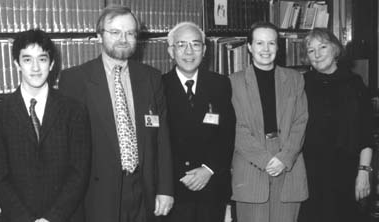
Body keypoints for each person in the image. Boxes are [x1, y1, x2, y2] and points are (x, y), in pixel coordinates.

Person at [58, 5, 174, 222]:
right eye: (115, 32)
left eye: (130, 33)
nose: (123, 39)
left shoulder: (151, 78)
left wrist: (165, 188)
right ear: (99, 35)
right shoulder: (74, 80)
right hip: (96, 193)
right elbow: (66, 149)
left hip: (143, 189)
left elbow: (161, 138)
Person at [0, 29, 91, 222]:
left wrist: (51, 218)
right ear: (17, 64)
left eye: (42, 59)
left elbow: (79, 173)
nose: (35, 68)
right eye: (27, 60)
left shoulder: (75, 110)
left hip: (66, 217)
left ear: (51, 64)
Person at [229, 21, 308, 222]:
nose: (266, 49)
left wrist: (284, 157)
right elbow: (235, 127)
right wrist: (265, 160)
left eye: (271, 43)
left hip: (288, 163)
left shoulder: (295, 79)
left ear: (277, 47)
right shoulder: (233, 82)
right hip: (250, 165)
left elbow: (301, 121)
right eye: (259, 43)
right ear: (249, 47)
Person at [162, 22, 235, 222]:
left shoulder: (220, 84)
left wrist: (208, 169)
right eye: (181, 45)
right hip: (174, 190)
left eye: (195, 45)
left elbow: (228, 134)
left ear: (204, 50)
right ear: (171, 51)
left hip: (211, 188)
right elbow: (157, 141)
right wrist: (181, 175)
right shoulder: (158, 86)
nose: (188, 51)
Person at [298, 28, 373, 222]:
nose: (317, 54)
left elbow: (366, 133)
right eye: (311, 50)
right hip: (310, 173)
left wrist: (363, 172)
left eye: (322, 47)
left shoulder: (354, 84)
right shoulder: (301, 85)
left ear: (335, 49)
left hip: (347, 172)